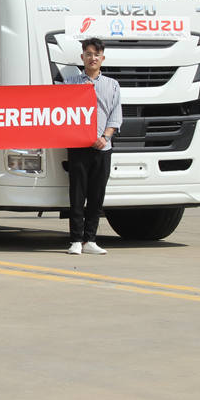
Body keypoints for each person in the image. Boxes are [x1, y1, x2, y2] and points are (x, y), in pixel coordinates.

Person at [64, 36, 122, 255]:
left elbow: (115, 116)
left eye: (96, 55)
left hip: (102, 147)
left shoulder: (112, 85)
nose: (92, 58)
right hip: (78, 147)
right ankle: (76, 240)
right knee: (77, 194)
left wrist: (105, 137)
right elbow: (60, 112)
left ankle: (91, 240)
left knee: (97, 195)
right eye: (88, 54)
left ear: (102, 58)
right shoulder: (69, 83)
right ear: (82, 57)